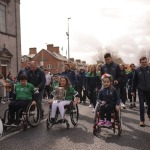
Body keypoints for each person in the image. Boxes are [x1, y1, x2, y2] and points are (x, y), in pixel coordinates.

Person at [131, 56, 150, 127]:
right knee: (141, 106)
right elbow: (134, 81)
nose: (144, 64)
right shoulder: (137, 70)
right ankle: (142, 120)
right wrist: (133, 90)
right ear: (140, 62)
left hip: (149, 90)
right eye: (143, 62)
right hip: (141, 90)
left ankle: (149, 113)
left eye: (145, 62)